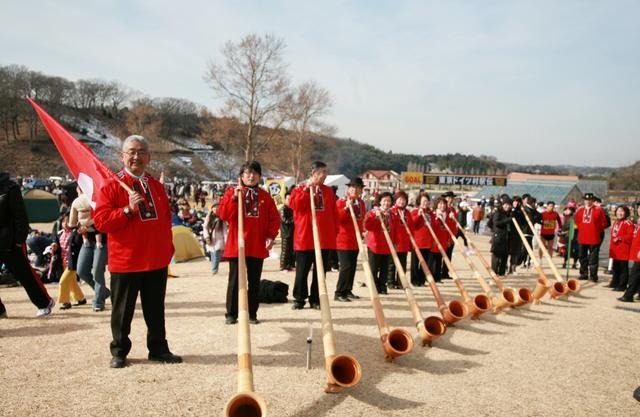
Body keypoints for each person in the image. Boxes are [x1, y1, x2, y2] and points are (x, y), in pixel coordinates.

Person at [94, 135, 181, 369]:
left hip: (156, 260)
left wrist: (167, 248)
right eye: (131, 151)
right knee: (123, 312)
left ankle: (158, 349)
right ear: (122, 156)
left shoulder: (157, 187)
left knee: (156, 310)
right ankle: (120, 350)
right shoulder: (111, 185)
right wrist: (126, 210)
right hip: (127, 261)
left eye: (141, 152)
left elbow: (164, 220)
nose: (136, 156)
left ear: (149, 157)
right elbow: (101, 222)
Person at [218, 160, 280, 325]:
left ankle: (252, 313)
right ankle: (231, 313)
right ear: (241, 176)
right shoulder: (232, 192)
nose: (251, 176)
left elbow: (274, 219)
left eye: (254, 173)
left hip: (257, 245)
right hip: (237, 244)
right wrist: (233, 198)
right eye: (247, 173)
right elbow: (223, 214)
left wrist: (271, 236)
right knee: (235, 280)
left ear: (259, 176)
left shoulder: (265, 197)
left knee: (254, 281)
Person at [0, 171, 55, 318]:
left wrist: (19, 239)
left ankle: (45, 303)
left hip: (10, 241)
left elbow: (20, 216)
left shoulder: (10, 188)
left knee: (24, 275)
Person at [290, 161, 338, 310]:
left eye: (326, 172)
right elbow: (295, 205)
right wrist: (306, 190)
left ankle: (316, 299)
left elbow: (333, 214)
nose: (325, 175)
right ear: (314, 173)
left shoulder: (328, 191)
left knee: (320, 271)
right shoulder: (300, 188)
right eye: (322, 172)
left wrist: (333, 232)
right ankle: (299, 299)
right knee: (302, 271)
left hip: (324, 238)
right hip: (305, 237)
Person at [69, 190, 110, 312]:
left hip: (102, 240)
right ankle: (103, 292)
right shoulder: (76, 202)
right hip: (87, 241)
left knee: (98, 270)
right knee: (81, 270)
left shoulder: (100, 199)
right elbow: (72, 223)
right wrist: (78, 227)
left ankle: (98, 301)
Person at [334, 177, 366, 302]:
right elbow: (338, 219)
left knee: (352, 266)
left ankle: (348, 289)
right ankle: (339, 292)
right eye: (352, 187)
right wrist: (346, 208)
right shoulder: (342, 201)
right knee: (346, 266)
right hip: (344, 239)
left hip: (356, 239)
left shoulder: (361, 203)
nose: (354, 190)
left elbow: (361, 219)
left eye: (357, 187)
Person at [364, 192, 395, 294]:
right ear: (380, 202)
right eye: (384, 201)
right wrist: (377, 217)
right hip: (374, 244)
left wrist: (395, 242)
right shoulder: (373, 212)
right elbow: (368, 226)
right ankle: (374, 286)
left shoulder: (392, 214)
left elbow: (396, 230)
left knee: (385, 268)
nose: (386, 203)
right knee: (373, 268)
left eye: (389, 201)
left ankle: (382, 286)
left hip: (387, 245)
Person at [574, 193, 608, 282]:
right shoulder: (580, 210)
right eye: (586, 200)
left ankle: (593, 276)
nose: (588, 201)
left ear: (593, 201)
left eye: (590, 200)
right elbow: (577, 222)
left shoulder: (598, 210)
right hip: (582, 237)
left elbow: (603, 223)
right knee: (582, 257)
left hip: (594, 237)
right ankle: (583, 273)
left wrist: (595, 230)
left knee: (593, 258)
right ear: (584, 200)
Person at [55, 213, 86, 310]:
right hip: (63, 262)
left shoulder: (77, 233)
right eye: (63, 221)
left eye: (67, 221)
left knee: (63, 282)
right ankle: (80, 298)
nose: (65, 223)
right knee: (72, 282)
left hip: (72, 262)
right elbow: (56, 244)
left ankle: (65, 302)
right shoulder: (60, 233)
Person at [387, 190, 412, 289]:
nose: (402, 202)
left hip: (404, 242)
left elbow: (411, 227)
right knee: (392, 264)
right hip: (394, 241)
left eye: (404, 200)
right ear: (395, 200)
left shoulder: (407, 212)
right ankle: (390, 282)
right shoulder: (391, 211)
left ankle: (400, 282)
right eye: (400, 199)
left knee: (403, 263)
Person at [428, 197, 456, 282]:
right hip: (434, 238)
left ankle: (437, 276)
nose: (442, 205)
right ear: (436, 205)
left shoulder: (447, 215)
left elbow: (449, 228)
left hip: (443, 238)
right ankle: (431, 276)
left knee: (440, 257)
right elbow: (432, 226)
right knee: (432, 258)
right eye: (440, 204)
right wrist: (437, 217)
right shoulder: (433, 214)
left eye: (444, 204)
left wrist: (448, 239)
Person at [409, 192, 433, 286]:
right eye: (423, 201)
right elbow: (412, 224)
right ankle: (414, 280)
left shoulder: (430, 212)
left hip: (427, 241)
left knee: (425, 262)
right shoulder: (415, 211)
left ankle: (422, 280)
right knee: (415, 262)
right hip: (417, 241)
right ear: (419, 201)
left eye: (427, 201)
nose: (425, 203)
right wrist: (419, 215)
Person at [608, 206, 634, 291]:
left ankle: (622, 285)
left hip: (623, 249)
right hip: (615, 249)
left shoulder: (628, 223)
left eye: (622, 211)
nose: (620, 213)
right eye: (618, 211)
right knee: (615, 267)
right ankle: (615, 282)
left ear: (626, 213)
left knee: (623, 268)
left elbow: (630, 236)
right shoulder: (616, 222)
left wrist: (620, 238)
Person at [618, 205, 640, 302]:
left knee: (634, 274)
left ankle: (628, 295)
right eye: (639, 208)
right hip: (636, 250)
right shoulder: (638, 220)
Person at [490, 197, 513, 277]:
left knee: (504, 256)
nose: (507, 206)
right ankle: (494, 274)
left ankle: (501, 273)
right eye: (505, 205)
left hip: (506, 238)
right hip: (498, 237)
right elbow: (496, 223)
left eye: (509, 205)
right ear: (503, 205)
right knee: (496, 256)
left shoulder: (510, 214)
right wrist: (508, 220)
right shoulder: (498, 213)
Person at [203, 201, 226, 275]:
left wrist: (226, 239)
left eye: (217, 208)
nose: (216, 209)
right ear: (212, 209)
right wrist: (206, 236)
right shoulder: (209, 216)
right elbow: (205, 227)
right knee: (212, 254)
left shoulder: (222, 217)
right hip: (211, 238)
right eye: (214, 208)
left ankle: (214, 270)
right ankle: (214, 268)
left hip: (219, 238)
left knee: (216, 254)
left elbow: (224, 229)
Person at [279, 192, 295, 271]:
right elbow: (285, 220)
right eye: (288, 199)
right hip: (286, 233)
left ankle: (291, 265)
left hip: (293, 232)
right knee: (285, 251)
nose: (290, 200)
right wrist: (294, 219)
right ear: (285, 199)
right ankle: (283, 266)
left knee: (292, 251)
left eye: (291, 199)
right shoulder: (283, 209)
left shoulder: (292, 209)